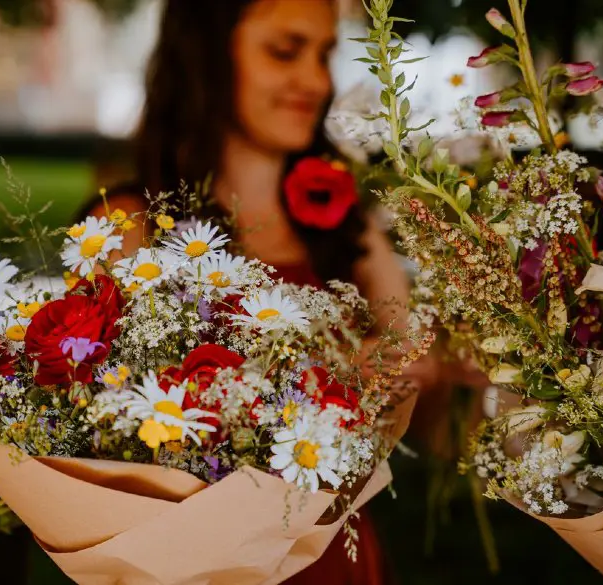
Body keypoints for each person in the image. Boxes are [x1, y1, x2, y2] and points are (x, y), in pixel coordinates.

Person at [85, 1, 436, 582]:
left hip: (337, 558)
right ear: (206, 55)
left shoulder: (348, 227)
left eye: (324, 55)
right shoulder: (133, 227)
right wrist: (332, 375)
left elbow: (419, 384)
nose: (316, 81)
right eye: (284, 51)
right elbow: (101, 435)